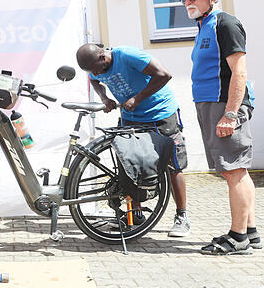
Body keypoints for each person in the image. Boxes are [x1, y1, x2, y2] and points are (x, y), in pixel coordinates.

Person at [174, 0, 259, 255]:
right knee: (234, 170)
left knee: (234, 170)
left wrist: (231, 114)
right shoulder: (204, 25)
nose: (188, 2)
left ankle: (237, 238)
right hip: (211, 104)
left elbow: (240, 71)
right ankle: (249, 231)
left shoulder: (225, 23)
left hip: (225, 105)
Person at [76, 44, 190, 236]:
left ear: (103, 57)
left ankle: (182, 217)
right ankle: (135, 214)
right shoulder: (95, 67)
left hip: (160, 114)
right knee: (129, 165)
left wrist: (137, 99)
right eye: (91, 71)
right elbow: (94, 80)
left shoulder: (127, 56)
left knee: (173, 166)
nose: (95, 73)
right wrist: (105, 98)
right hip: (131, 117)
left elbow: (164, 75)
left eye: (96, 69)